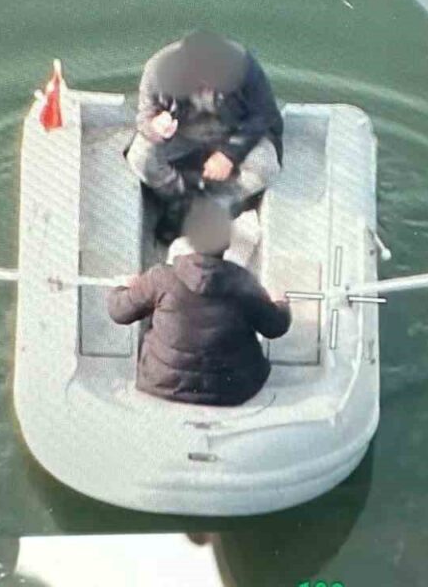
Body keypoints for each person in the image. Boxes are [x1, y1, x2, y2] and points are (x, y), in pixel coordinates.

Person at [106, 198, 291, 406]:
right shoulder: (243, 282)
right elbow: (275, 327)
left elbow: (118, 312)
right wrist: (281, 303)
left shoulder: (160, 277)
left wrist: (122, 287)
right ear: (227, 243)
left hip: (161, 384)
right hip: (232, 390)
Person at [125, 30, 283, 213]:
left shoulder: (246, 66)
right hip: (182, 133)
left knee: (266, 166)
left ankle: (219, 200)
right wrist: (156, 126)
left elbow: (264, 114)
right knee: (140, 158)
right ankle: (177, 194)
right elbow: (145, 115)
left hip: (231, 132)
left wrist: (229, 153)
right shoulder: (157, 70)